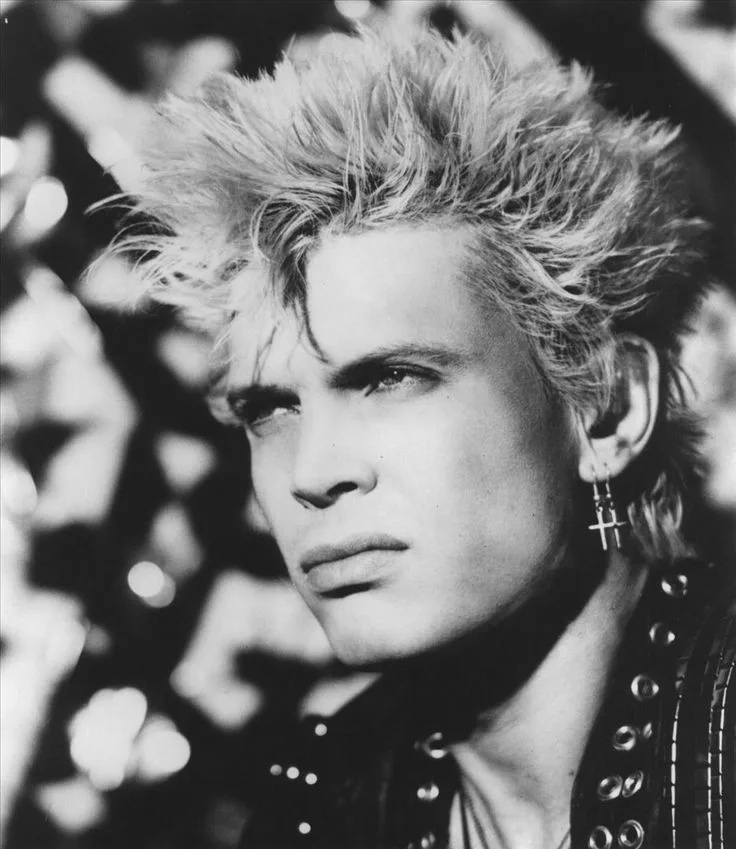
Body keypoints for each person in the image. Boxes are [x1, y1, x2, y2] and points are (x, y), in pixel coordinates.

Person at [104, 26, 735, 849]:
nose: (312, 473)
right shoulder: (316, 821)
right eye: (270, 410)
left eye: (390, 378)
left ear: (608, 407)